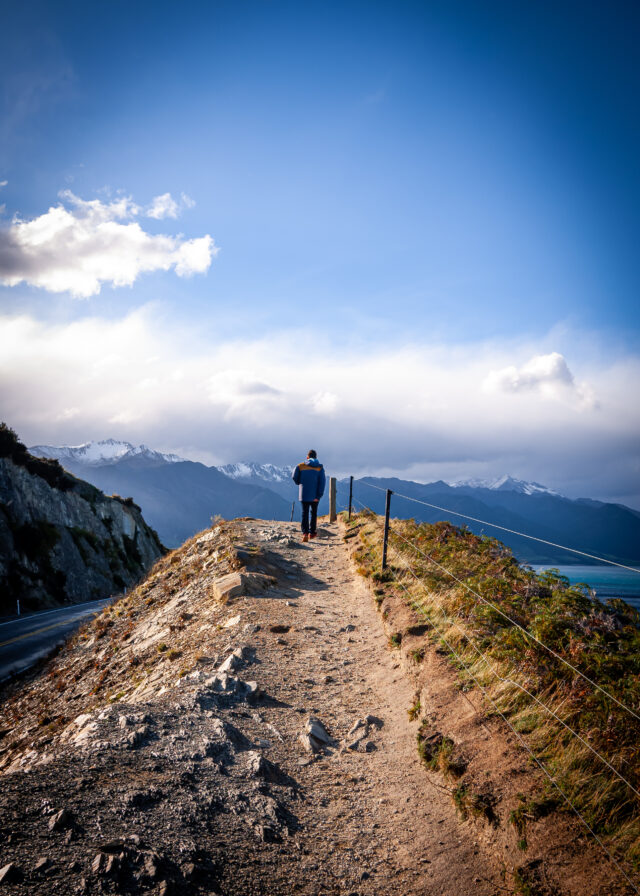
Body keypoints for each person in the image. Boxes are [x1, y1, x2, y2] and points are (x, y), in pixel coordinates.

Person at [292, 450, 326, 542]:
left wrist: (300, 482)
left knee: (305, 513)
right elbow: (322, 483)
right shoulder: (320, 468)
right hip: (315, 495)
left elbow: (294, 477)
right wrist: (318, 495)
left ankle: (305, 533)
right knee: (314, 513)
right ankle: (312, 533)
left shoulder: (300, 466)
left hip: (304, 494)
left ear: (307, 457)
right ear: (316, 457)